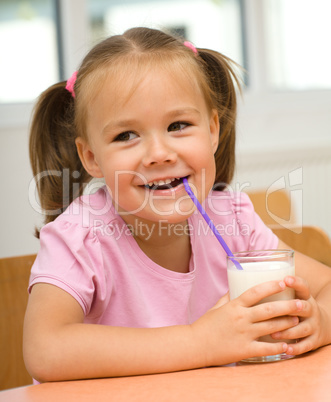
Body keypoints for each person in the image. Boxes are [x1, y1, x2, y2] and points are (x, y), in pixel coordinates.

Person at [23, 27, 331, 383]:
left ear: (213, 130)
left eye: (179, 125)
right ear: (91, 157)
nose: (159, 154)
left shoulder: (232, 219)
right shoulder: (81, 236)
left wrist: (319, 321)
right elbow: (45, 350)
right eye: (126, 135)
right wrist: (201, 342)